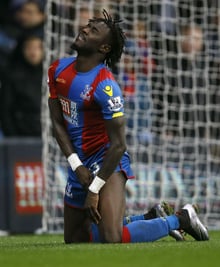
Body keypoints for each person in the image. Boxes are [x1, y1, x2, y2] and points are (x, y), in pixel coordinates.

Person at [47, 9, 209, 244]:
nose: (84, 29)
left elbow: (119, 145)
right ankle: (149, 217)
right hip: (79, 162)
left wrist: (94, 188)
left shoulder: (106, 87)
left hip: (107, 161)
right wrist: (76, 165)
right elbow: (56, 122)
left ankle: (180, 219)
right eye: (88, 26)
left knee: (111, 237)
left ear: (104, 48)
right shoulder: (57, 69)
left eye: (93, 31)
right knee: (75, 239)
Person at [1, 35, 44, 137]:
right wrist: (12, 137)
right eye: (29, 47)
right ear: (22, 50)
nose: (33, 52)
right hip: (20, 136)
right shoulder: (12, 76)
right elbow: (5, 110)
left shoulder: (53, 74)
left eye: (38, 47)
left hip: (48, 136)